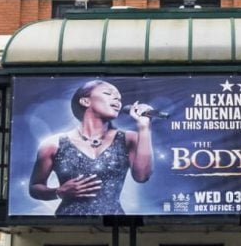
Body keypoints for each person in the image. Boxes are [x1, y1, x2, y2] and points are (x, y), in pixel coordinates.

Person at [29, 80, 154, 215]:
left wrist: (144, 126)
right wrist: (58, 192)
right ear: (85, 101)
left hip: (114, 224)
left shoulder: (129, 139)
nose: (117, 99)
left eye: (119, 98)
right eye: (108, 93)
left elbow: (142, 176)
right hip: (67, 225)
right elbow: (35, 187)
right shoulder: (53, 144)